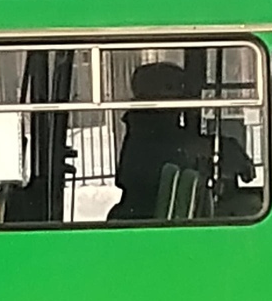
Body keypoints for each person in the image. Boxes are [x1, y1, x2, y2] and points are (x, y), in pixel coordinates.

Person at [107, 61, 254, 220]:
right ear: (156, 94)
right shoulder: (149, 133)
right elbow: (179, 148)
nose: (183, 96)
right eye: (175, 88)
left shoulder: (146, 128)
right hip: (145, 218)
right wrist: (226, 149)